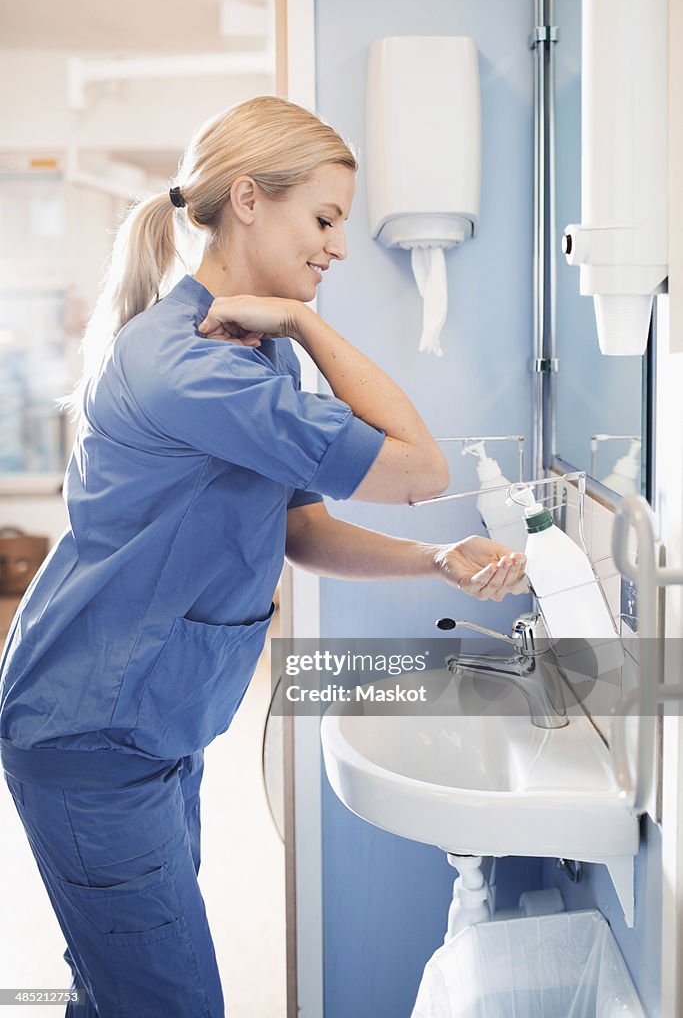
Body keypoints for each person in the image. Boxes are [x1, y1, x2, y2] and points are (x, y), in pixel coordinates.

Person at [0, 96, 526, 1017]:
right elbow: (418, 467)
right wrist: (308, 324)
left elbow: (296, 530)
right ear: (248, 198)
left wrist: (435, 562)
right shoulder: (198, 364)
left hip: (145, 725)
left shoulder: (243, 353)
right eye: (323, 218)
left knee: (120, 987)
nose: (338, 244)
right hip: (92, 730)